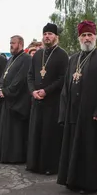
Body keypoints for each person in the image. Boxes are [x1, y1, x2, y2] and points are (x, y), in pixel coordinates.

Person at [57, 21, 97, 193]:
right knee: (73, 146)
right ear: (79, 38)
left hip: (91, 113)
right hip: (73, 111)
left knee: (90, 148)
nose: (87, 38)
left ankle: (89, 184)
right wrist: (64, 110)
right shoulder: (73, 58)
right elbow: (66, 86)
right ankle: (71, 180)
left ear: (95, 37)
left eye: (90, 35)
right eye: (84, 35)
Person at [26, 23, 68, 174]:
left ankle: (49, 166)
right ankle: (34, 164)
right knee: (36, 132)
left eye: (50, 34)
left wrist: (46, 91)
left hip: (53, 101)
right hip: (37, 100)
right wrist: (33, 91)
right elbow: (30, 75)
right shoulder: (38, 54)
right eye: (45, 34)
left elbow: (63, 78)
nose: (47, 36)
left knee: (49, 134)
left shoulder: (62, 55)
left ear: (56, 37)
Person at [0, 36, 32, 163]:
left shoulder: (26, 59)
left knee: (15, 132)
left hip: (17, 100)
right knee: (6, 129)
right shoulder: (11, 59)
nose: (11, 45)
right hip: (7, 99)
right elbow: (3, 77)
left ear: (20, 44)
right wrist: (0, 88)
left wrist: (6, 92)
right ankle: (4, 155)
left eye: (13, 43)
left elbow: (20, 79)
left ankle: (15, 157)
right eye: (10, 43)